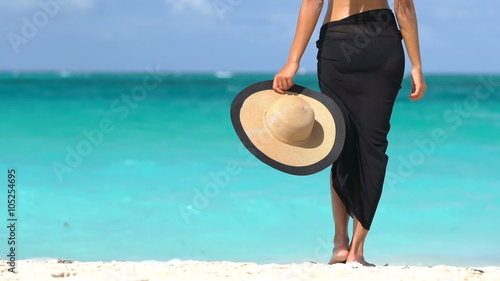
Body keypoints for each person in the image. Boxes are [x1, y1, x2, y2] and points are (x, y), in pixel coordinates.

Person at [272, 0, 427, 266]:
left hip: (338, 46)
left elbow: (314, 2)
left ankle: (340, 244)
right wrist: (416, 66)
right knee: (373, 146)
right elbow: (404, 8)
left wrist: (293, 61)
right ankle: (357, 249)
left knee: (340, 142)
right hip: (383, 42)